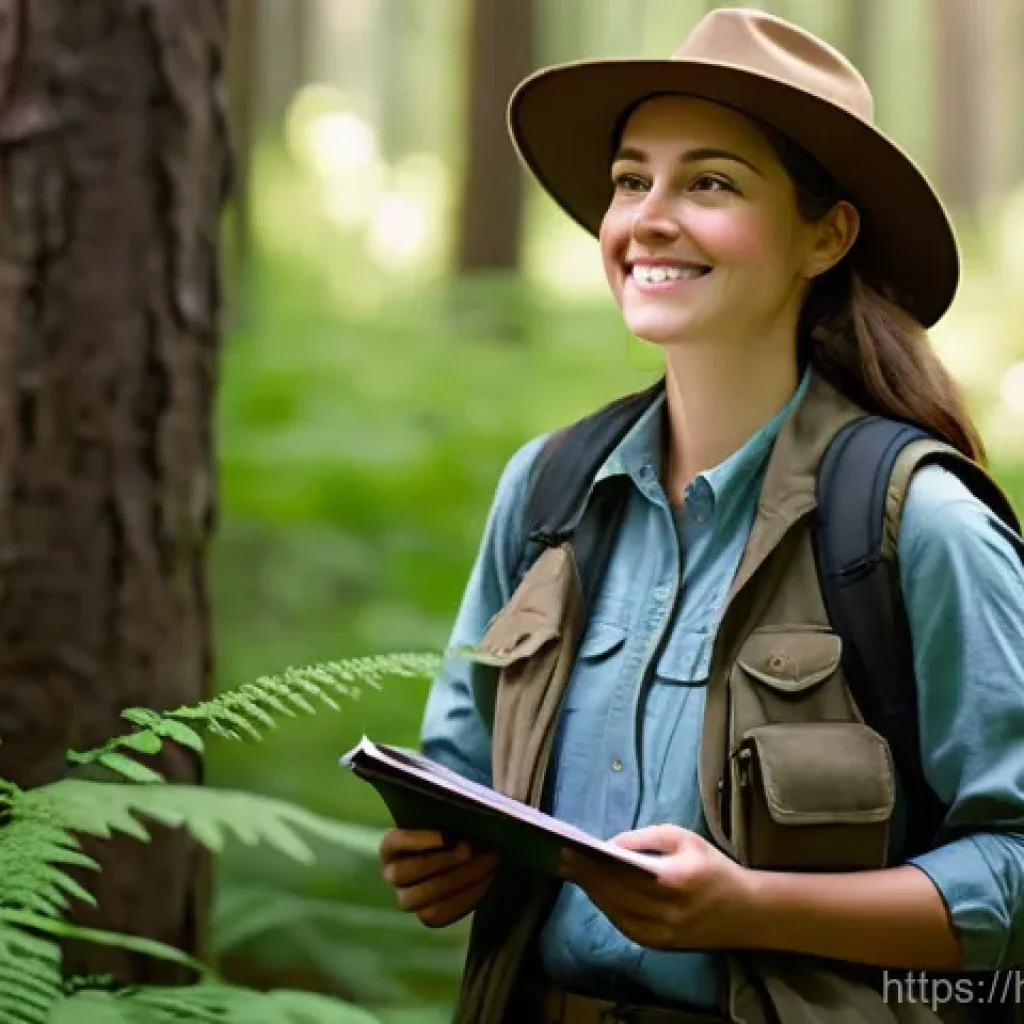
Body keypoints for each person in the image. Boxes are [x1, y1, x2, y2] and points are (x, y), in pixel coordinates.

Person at [379, 8, 1024, 1023]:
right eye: (632, 180)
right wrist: (440, 859)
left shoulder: (919, 525)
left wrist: (750, 905)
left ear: (826, 234)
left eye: (709, 182)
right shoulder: (544, 493)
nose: (649, 216)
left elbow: (1014, 870)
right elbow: (461, 777)